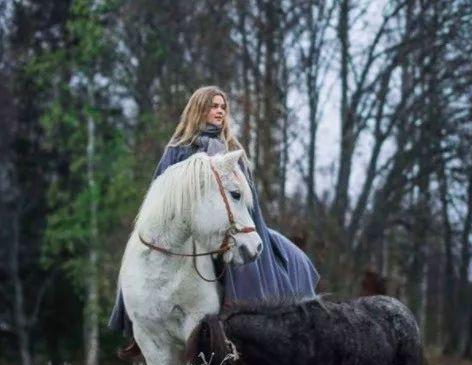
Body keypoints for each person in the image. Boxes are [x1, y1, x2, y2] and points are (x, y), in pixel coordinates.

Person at [108, 85, 319, 337]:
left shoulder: (231, 152)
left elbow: (246, 200)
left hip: (227, 227)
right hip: (185, 234)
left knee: (240, 253)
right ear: (199, 110)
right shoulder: (176, 151)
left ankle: (241, 318)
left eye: (223, 107)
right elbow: (158, 199)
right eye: (213, 106)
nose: (219, 111)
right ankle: (136, 319)